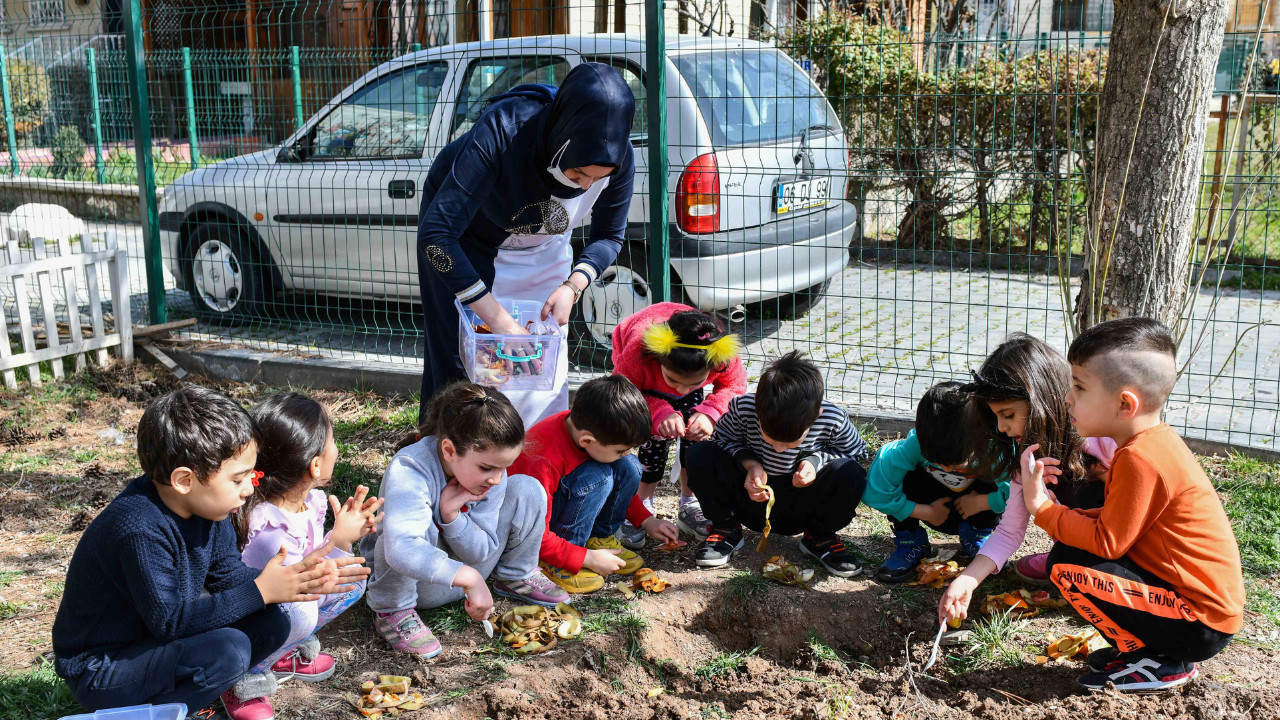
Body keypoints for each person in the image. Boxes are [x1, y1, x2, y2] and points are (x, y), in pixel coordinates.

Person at [51, 387, 367, 715]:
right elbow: (171, 621)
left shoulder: (207, 508)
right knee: (228, 652)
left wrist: (293, 580)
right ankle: (162, 712)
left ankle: (187, 695)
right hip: (103, 669)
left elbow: (226, 575)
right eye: (238, 479)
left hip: (154, 642)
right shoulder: (139, 529)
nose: (249, 489)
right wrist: (261, 590)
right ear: (184, 480)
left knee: (273, 622)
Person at [1023, 318, 1244, 692]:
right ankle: (1151, 652)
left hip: (1199, 622)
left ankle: (1154, 660)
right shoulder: (1151, 444)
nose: (1068, 398)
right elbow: (1120, 523)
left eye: (1079, 387)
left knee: (1066, 566)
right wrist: (1067, 515)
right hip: (1201, 613)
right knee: (1072, 553)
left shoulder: (1140, 459)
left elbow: (1107, 542)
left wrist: (1041, 507)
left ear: (1125, 403)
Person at [416, 62, 636, 426]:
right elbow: (437, 238)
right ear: (562, 139)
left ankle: (536, 448)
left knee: (540, 362)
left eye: (597, 179)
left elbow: (609, 236)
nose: (586, 186)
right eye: (579, 173)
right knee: (461, 360)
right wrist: (498, 319)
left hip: (545, 244)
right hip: (467, 239)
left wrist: (573, 286)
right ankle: (448, 450)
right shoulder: (503, 131)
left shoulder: (620, 158)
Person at [365, 383, 568, 659]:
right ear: (449, 450)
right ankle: (393, 611)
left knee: (528, 488)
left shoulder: (492, 476)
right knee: (396, 536)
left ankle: (515, 575)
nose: (496, 479)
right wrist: (470, 578)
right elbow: (401, 550)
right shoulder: (410, 468)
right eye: (486, 468)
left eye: (503, 467)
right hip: (418, 585)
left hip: (469, 576)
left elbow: (480, 551)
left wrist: (452, 517)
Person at [223, 393, 385, 720]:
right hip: (247, 619)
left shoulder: (306, 502)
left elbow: (311, 561)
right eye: (333, 441)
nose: (336, 448)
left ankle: (281, 651)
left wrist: (341, 535)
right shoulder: (268, 526)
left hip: (282, 602)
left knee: (352, 581)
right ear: (315, 465)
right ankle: (242, 675)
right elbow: (305, 585)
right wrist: (339, 541)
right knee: (302, 613)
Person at [937, 334, 1108, 629]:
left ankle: (1083, 566)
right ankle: (1070, 559)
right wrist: (968, 579)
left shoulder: (1104, 442)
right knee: (1063, 561)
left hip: (1126, 544)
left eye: (1008, 415)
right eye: (996, 417)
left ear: (1043, 400)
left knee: (1071, 560)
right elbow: (1009, 531)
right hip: (1084, 542)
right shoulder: (1028, 460)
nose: (1002, 427)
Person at [685, 351, 870, 577]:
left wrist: (814, 462)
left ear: (816, 415)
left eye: (792, 441)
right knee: (700, 454)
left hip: (803, 505)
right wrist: (750, 464)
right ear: (757, 405)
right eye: (770, 437)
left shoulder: (832, 417)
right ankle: (726, 528)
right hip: (750, 502)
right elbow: (722, 440)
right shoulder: (744, 408)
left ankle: (819, 537)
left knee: (851, 474)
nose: (779, 448)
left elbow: (857, 452)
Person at [509, 376, 679, 595]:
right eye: (620, 449)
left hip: (564, 501)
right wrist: (584, 558)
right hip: (541, 533)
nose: (626, 453)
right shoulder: (543, 459)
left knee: (628, 466)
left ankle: (598, 538)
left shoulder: (592, 428)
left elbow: (621, 484)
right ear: (586, 441)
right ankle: (560, 560)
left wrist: (646, 520)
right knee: (598, 477)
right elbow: (534, 533)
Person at [610, 302, 747, 546]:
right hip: (644, 384)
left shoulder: (720, 355)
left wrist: (710, 412)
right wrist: (658, 412)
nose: (681, 390)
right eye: (672, 380)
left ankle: (689, 503)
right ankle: (642, 504)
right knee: (654, 440)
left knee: (696, 435)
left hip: (680, 366)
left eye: (695, 383)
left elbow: (735, 386)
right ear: (659, 360)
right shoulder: (639, 351)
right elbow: (623, 391)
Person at [863, 381, 1010, 583]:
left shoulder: (993, 449)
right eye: (937, 462)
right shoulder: (914, 445)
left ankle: (977, 534)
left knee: (998, 473)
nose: (948, 470)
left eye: (957, 463)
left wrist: (983, 502)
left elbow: (1018, 494)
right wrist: (924, 511)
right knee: (902, 474)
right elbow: (878, 491)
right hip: (930, 508)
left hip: (975, 510)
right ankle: (910, 541)